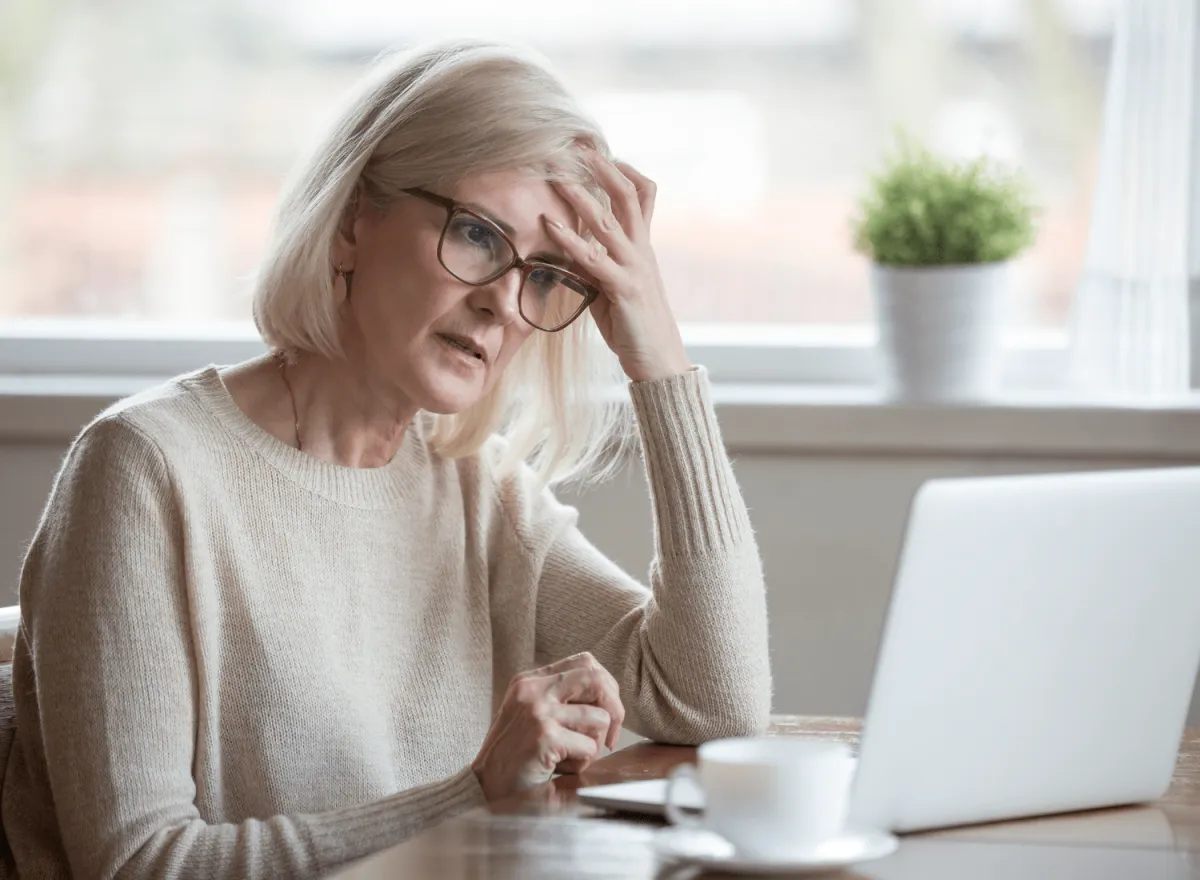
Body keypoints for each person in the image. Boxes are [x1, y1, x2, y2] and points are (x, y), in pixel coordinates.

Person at [3, 39, 772, 879]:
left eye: (545, 275)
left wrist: (656, 354)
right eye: (477, 234)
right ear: (348, 225)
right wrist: (470, 793)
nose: (503, 304)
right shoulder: (145, 471)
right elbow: (138, 865)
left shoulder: (479, 486)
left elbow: (713, 700)